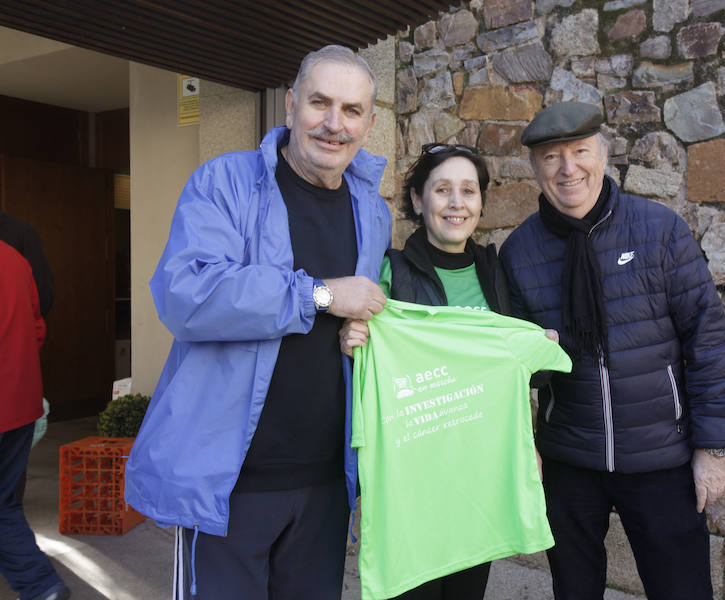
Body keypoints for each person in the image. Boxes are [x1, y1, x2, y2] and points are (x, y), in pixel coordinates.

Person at [124, 45, 392, 600]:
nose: (333, 123)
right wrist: (318, 295)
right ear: (291, 105)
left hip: (325, 481)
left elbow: (357, 312)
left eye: (350, 110)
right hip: (229, 482)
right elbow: (185, 294)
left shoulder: (373, 209)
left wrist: (362, 332)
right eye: (320, 102)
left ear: (368, 123)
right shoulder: (224, 182)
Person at [498, 102, 725, 600]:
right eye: (551, 158)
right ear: (534, 169)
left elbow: (707, 339)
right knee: (574, 590)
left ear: (603, 155)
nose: (568, 169)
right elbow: (515, 371)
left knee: (683, 590)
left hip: (662, 457)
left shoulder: (659, 231)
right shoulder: (520, 252)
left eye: (580, 152)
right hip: (569, 460)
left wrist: (712, 449)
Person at [340, 143, 502, 599]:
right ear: (417, 200)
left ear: (481, 203)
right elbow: (361, 359)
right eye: (442, 190)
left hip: (478, 477)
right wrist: (350, 344)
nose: (456, 203)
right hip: (410, 481)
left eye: (468, 191)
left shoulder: (495, 272)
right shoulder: (389, 272)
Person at [0, 241, 70, 600]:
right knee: (5, 502)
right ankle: (41, 585)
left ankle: (40, 585)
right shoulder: (12, 257)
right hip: (19, 404)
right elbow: (36, 326)